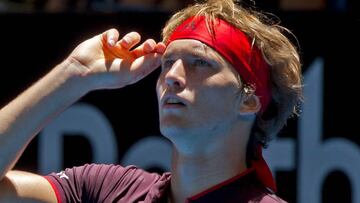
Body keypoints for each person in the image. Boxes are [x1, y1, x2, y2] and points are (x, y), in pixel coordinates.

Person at [0, 0, 302, 202]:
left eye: (200, 63)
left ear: (249, 100)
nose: (172, 76)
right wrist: (74, 75)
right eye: (168, 61)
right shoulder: (106, 188)